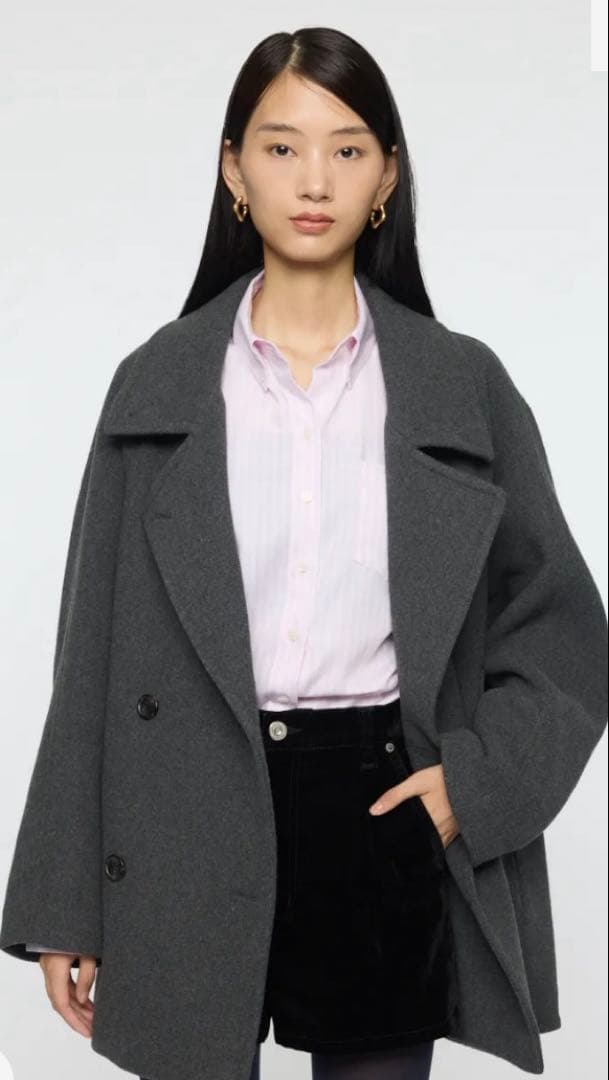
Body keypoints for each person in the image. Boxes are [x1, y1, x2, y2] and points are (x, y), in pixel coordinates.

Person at [1, 26, 607, 1080]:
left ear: (387, 178)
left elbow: (561, 631)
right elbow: (89, 654)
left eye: (348, 148)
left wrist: (474, 787)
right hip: (189, 801)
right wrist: (64, 901)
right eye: (280, 148)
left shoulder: (461, 385)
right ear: (234, 171)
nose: (314, 179)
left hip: (381, 805)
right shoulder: (156, 383)